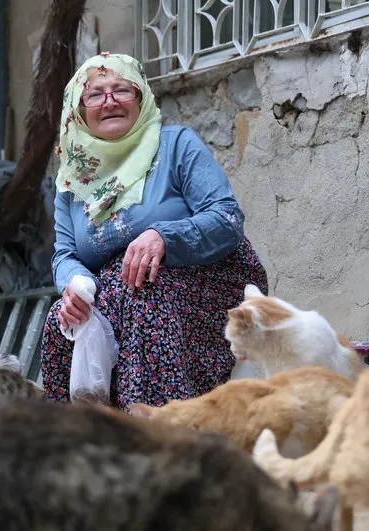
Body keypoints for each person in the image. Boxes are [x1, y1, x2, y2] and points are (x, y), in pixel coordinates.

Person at [39, 52, 268, 410]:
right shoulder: (72, 181)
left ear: (141, 97)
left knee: (145, 299)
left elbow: (226, 218)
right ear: (79, 110)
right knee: (62, 320)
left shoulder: (175, 145)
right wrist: (77, 286)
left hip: (203, 279)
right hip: (117, 290)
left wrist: (163, 236)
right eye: (95, 94)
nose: (110, 101)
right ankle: (81, 436)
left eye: (122, 90)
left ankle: (156, 430)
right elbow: (65, 254)